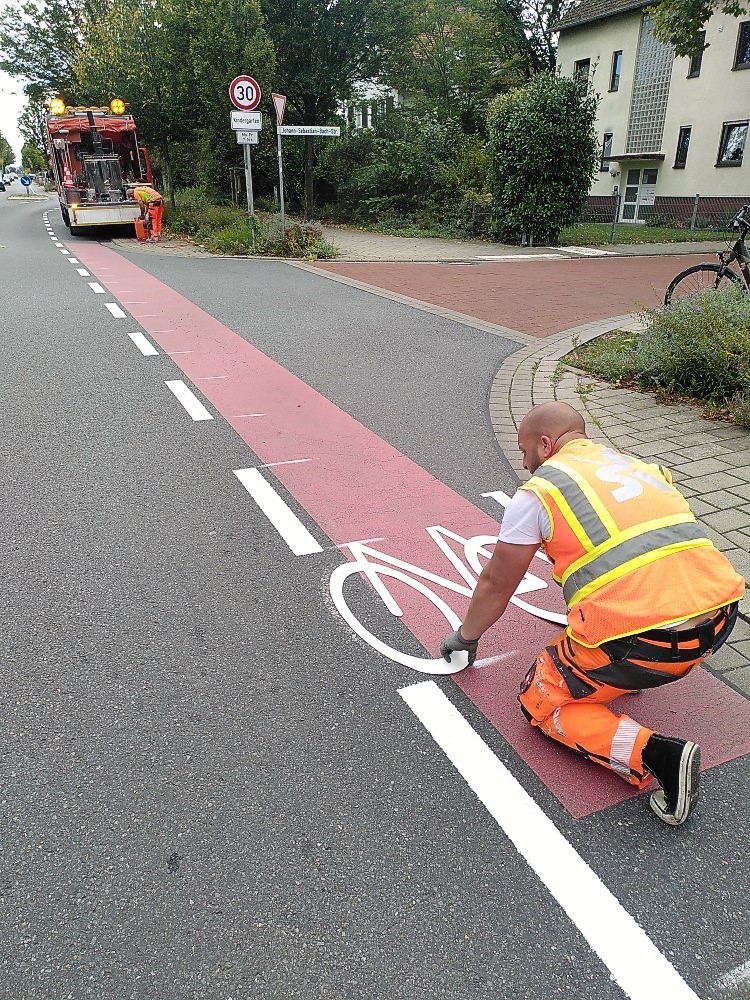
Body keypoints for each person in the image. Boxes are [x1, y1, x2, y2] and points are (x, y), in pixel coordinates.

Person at [440, 402, 744, 826]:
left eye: (525, 451)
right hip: (719, 619)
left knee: (541, 699)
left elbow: (496, 583)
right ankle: (624, 678)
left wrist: (466, 636)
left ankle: (658, 754)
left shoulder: (541, 493)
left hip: (648, 643)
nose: (524, 463)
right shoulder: (641, 468)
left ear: (545, 444)